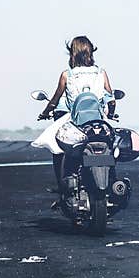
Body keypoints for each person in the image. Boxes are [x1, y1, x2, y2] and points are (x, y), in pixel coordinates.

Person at [32, 36, 116, 184]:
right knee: (112, 144)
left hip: (76, 121)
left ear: (73, 53)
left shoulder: (67, 75)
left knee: (57, 147)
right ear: (90, 52)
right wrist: (110, 112)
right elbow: (111, 98)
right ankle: (112, 179)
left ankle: (62, 184)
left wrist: (44, 113)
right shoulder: (101, 73)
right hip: (99, 120)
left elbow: (55, 100)